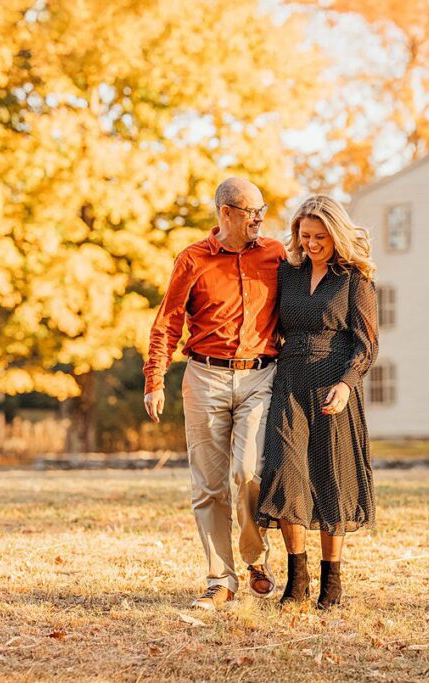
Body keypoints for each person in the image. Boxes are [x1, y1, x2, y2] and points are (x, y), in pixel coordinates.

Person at [143, 177, 285, 610]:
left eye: (262, 211)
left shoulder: (276, 255)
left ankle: (254, 557)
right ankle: (220, 580)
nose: (259, 219)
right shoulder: (192, 259)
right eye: (250, 212)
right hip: (204, 376)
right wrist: (155, 379)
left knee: (247, 471)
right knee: (208, 486)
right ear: (226, 214)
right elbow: (167, 321)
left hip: (260, 375)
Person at [255, 195, 378, 610]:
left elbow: (367, 345)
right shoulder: (288, 274)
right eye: (305, 236)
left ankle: (333, 582)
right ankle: (297, 580)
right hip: (289, 381)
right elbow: (270, 319)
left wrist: (346, 384)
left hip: (333, 385)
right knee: (286, 476)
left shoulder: (354, 280)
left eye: (320, 236)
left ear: (336, 234)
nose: (311, 243)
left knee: (331, 478)